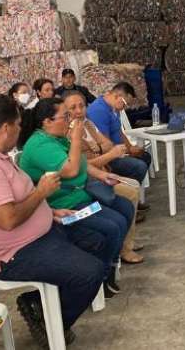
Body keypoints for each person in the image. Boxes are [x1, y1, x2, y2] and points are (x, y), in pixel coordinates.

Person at [0, 95, 105, 347]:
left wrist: (48, 211)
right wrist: (41, 193)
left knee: (96, 239)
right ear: (6, 127)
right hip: (10, 254)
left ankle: (41, 303)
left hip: (36, 235)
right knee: (90, 272)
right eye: (18, 125)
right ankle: (50, 319)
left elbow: (16, 198)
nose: (21, 129)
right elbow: (7, 219)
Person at [18, 98, 129, 296]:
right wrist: (77, 138)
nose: (70, 120)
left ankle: (109, 266)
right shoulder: (39, 145)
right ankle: (101, 276)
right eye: (65, 116)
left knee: (125, 210)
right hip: (61, 207)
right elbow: (70, 169)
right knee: (113, 226)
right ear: (47, 121)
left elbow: (82, 163)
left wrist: (103, 175)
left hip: (79, 197)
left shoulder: (57, 138)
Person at [63, 91, 144, 263]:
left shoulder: (87, 124)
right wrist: (107, 153)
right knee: (130, 191)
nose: (78, 111)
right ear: (65, 111)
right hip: (88, 180)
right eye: (73, 107)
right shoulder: (69, 133)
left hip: (101, 171)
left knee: (134, 183)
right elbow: (83, 165)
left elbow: (106, 144)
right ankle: (125, 247)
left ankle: (126, 241)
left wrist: (99, 150)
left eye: (81, 106)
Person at [86, 82, 152, 212]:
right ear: (117, 96)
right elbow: (105, 145)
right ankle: (127, 200)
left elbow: (119, 131)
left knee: (144, 156)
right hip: (107, 157)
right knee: (138, 166)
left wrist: (130, 147)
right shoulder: (99, 110)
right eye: (125, 103)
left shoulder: (113, 108)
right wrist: (125, 151)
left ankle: (132, 197)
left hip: (118, 150)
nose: (124, 108)